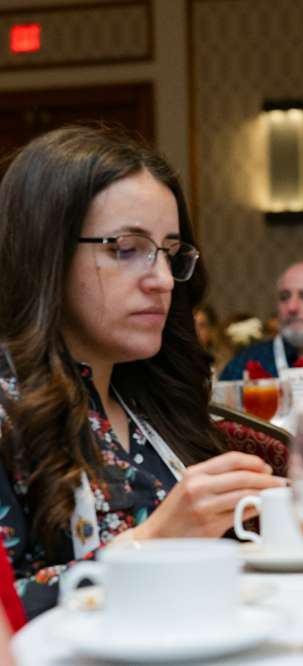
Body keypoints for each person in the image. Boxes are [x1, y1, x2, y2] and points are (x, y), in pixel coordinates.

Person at [0, 126, 284, 619]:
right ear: (46, 253)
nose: (161, 280)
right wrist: (150, 542)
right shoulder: (9, 413)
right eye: (126, 248)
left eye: (169, 252)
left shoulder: (153, 405)